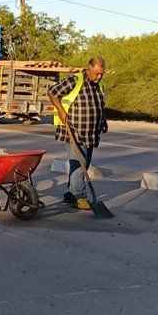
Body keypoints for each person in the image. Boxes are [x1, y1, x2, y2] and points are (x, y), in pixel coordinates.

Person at [47, 57, 108, 210]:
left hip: (91, 132)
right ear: (89, 69)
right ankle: (79, 196)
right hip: (73, 130)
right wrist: (61, 111)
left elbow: (99, 105)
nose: (99, 77)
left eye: (102, 74)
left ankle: (69, 193)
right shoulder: (76, 80)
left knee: (84, 165)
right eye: (96, 73)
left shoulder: (99, 85)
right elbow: (53, 92)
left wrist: (103, 121)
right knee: (78, 164)